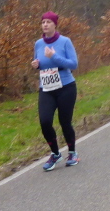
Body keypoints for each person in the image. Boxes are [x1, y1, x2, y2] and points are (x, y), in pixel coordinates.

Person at [32, 11, 79, 171]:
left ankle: (72, 153)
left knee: (65, 122)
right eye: (43, 22)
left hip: (66, 87)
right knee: (45, 122)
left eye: (48, 22)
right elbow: (39, 62)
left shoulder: (65, 41)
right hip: (46, 88)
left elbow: (73, 64)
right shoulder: (38, 44)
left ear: (55, 25)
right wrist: (36, 65)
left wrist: (54, 56)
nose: (45, 24)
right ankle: (55, 153)